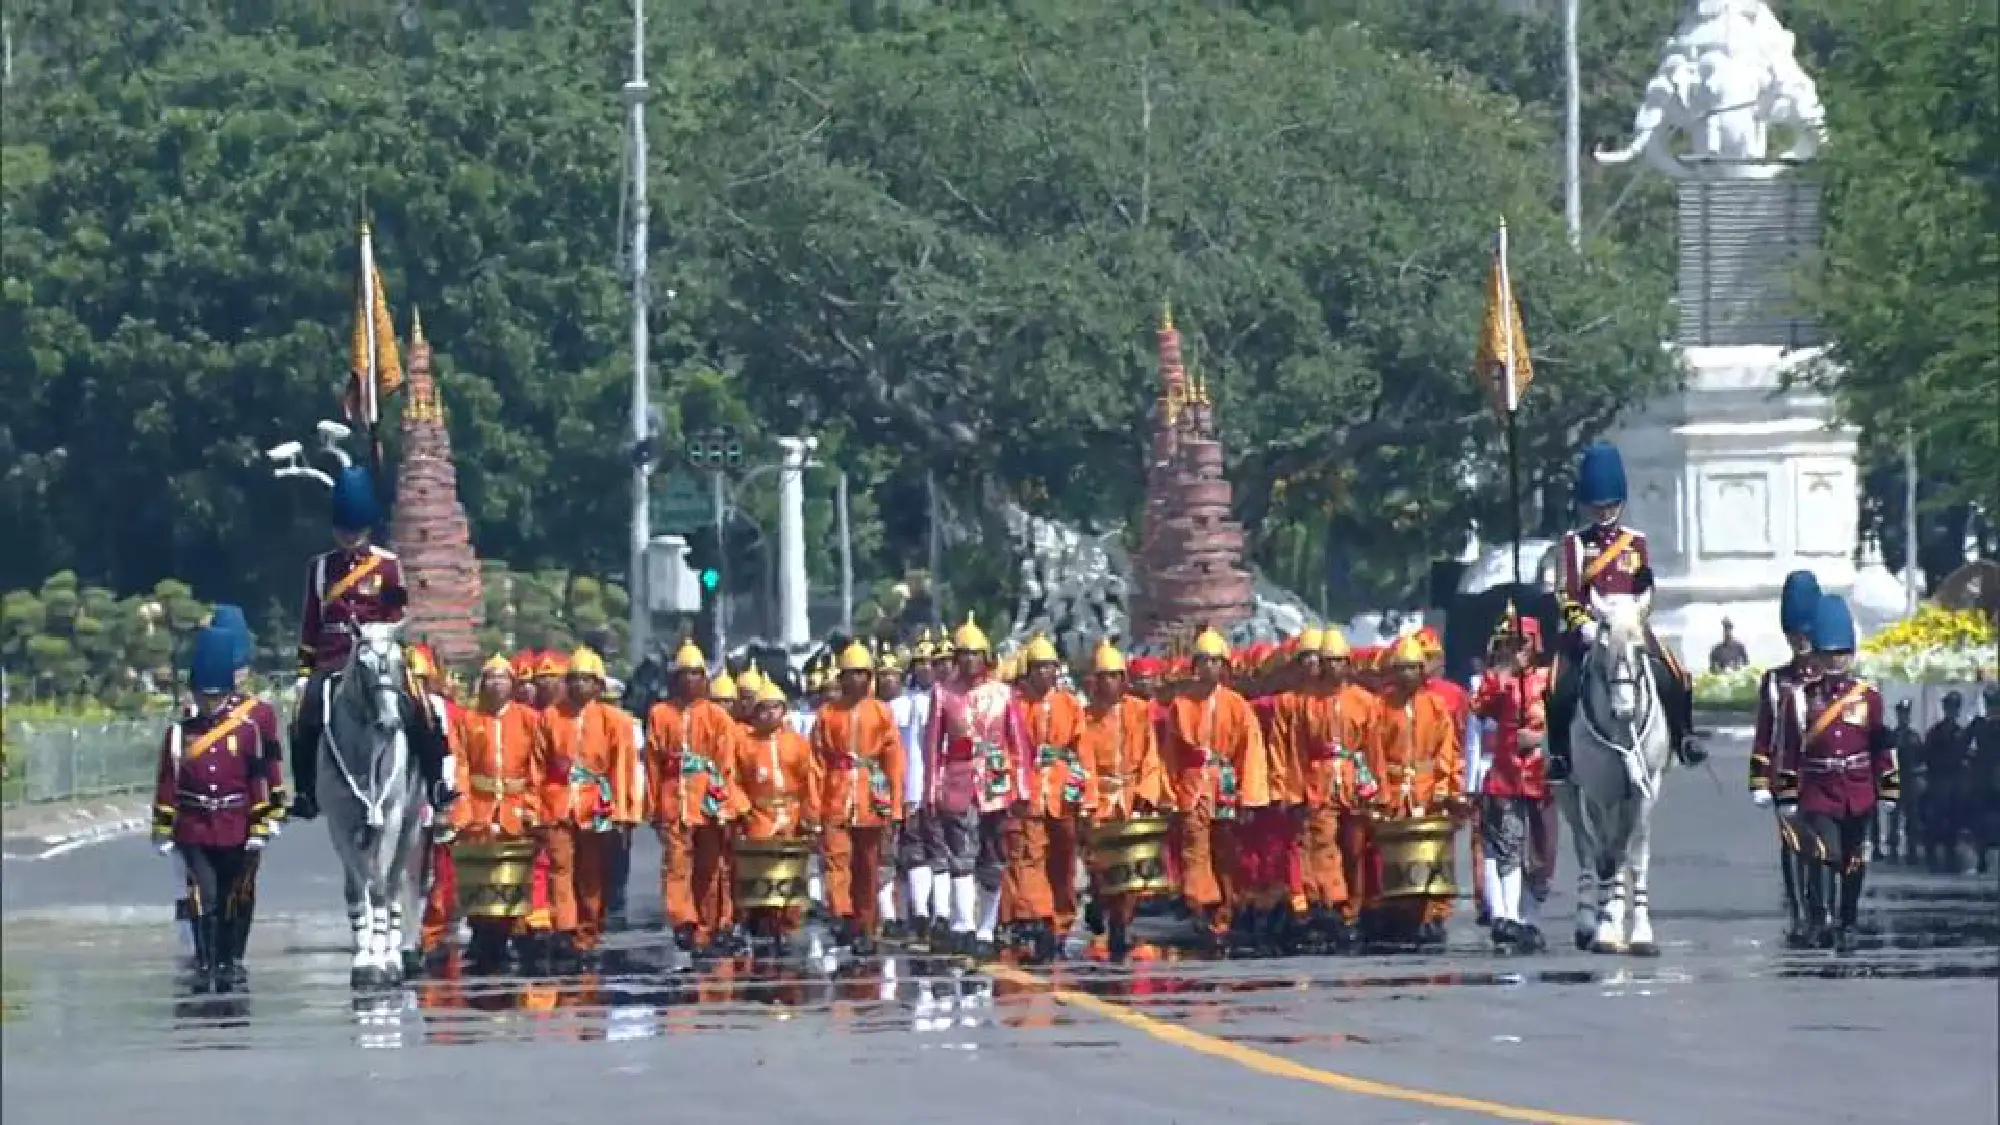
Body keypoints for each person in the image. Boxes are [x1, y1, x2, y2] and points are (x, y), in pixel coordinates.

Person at [288, 465, 453, 820]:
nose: (349, 537)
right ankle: (304, 791)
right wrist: (305, 670)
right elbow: (311, 622)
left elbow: (399, 615)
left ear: (368, 528)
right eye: (344, 530)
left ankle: (436, 781)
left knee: (425, 709)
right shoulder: (320, 568)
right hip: (333, 657)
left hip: (380, 651)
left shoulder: (388, 566)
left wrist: (391, 646)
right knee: (302, 717)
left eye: (356, 529)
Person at [1545, 442, 1704, 782]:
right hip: (1590, 628)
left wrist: (1640, 612)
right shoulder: (1573, 544)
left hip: (1630, 624)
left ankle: (1683, 737)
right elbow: (1565, 592)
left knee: (1677, 674)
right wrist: (1583, 624)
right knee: (1556, 685)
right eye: (1598, 506)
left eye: (1611, 505)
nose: (1604, 512)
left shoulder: (1636, 541)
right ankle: (1559, 754)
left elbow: (1646, 586)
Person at [153, 627, 284, 993]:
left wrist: (263, 822)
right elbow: (168, 781)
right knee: (204, 896)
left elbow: (259, 778)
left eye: (217, 695)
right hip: (194, 827)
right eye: (204, 695)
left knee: (233, 896)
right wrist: (163, 827)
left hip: (236, 823)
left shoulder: (247, 730)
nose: (210, 702)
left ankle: (230, 958)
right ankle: (207, 960)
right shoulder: (179, 735)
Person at [1771, 597, 1898, 953]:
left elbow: (1880, 745)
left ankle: (1847, 917)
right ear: (1819, 656)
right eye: (1829, 653)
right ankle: (1821, 917)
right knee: (1824, 853)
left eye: (1842, 653)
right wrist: (1788, 792)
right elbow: (1789, 748)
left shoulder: (1868, 697)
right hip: (1818, 788)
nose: (1836, 660)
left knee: (1854, 859)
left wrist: (1887, 788)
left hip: (1858, 789)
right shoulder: (1799, 698)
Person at [1159, 627, 1271, 952]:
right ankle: (1199, 904)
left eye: (1215, 661)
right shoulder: (1180, 706)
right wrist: (1168, 793)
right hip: (1193, 786)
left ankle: (1225, 909)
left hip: (1225, 786)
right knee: (1195, 847)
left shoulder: (1237, 706)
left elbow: (1249, 753)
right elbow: (1170, 754)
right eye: (1204, 661)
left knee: (1225, 849)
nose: (1209, 667)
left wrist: (1248, 796)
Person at [1275, 628, 1380, 953]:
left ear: (1347, 664)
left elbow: (1373, 748)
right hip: (1320, 780)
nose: (1333, 668)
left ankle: (1354, 908)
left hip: (1354, 780)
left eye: (1338, 662)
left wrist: (1378, 787)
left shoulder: (1364, 701)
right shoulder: (1308, 704)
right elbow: (1296, 751)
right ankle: (1334, 904)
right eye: (1327, 662)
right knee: (1323, 842)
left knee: (1356, 848)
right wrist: (1295, 790)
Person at [541, 647, 643, 969]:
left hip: (597, 804)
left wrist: (624, 814)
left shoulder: (615, 721)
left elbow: (623, 770)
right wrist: (533, 807)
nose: (580, 686)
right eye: (574, 679)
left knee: (591, 874)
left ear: (599, 686)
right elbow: (536, 767)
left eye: (587, 680)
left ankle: (587, 931)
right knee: (560, 867)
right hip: (556, 802)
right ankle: (564, 928)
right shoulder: (549, 716)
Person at [451, 655, 551, 973]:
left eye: (502, 677)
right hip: (479, 807)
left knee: (523, 875)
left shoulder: (529, 719)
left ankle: (522, 934)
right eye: (490, 677)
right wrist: (463, 809)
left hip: (516, 805)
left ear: (513, 684)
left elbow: (538, 768)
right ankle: (484, 935)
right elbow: (460, 767)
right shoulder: (467, 720)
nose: (495, 683)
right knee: (480, 877)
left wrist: (531, 806)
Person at [926, 614, 1018, 956]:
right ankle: (963, 923)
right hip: (958, 777)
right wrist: (930, 789)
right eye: (962, 653)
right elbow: (933, 747)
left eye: (974, 653)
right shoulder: (943, 694)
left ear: (986, 655)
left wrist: (1020, 787)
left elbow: (1017, 744)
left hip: (995, 781)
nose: (969, 660)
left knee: (993, 856)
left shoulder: (1003, 694)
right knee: (960, 856)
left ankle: (986, 928)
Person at [644, 641, 742, 955]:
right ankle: (682, 921)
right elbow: (653, 763)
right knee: (676, 863)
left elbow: (726, 764)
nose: (689, 680)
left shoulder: (717, 717)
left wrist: (723, 802)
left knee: (709, 866)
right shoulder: (660, 714)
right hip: (673, 798)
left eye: (695, 674)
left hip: (708, 801)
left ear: (704, 679)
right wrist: (652, 804)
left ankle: (707, 926)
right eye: (683, 674)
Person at [1368, 635, 1465, 948]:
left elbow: (1447, 750)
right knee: (1394, 854)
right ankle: (1399, 914)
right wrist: (1380, 791)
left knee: (1433, 852)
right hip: (1396, 790)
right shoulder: (1381, 707)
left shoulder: (1436, 706)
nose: (1408, 675)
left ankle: (1434, 915)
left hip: (1427, 789)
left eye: (1414, 668)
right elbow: (1374, 753)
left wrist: (1443, 786)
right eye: (1403, 668)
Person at [1077, 640, 1169, 962]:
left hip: (1130, 797)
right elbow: (1083, 762)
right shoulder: (1084, 717)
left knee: (1131, 869)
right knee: (1100, 869)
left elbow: (1150, 756)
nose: (1109, 684)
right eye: (1104, 677)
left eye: (1115, 677)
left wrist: (1147, 793)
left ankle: (1121, 925)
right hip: (1100, 799)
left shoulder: (1139, 711)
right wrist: (1089, 800)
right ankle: (1100, 909)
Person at [811, 640, 904, 956]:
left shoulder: (881, 712)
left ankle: (865, 924)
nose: (855, 680)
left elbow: (893, 761)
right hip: (836, 793)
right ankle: (842, 913)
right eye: (849, 674)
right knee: (837, 859)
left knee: (867, 864)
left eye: (861, 674)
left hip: (871, 793)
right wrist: (814, 806)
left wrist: (895, 804)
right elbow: (816, 764)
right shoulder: (827, 714)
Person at [1471, 608, 1552, 953]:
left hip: (1542, 777)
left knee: (1541, 852)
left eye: (1525, 643)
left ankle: (1529, 917)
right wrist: (1507, 673)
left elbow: (1568, 717)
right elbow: (1479, 706)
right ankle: (1505, 916)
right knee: (1505, 847)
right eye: (1515, 644)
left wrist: (1540, 738)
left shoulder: (1549, 679)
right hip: (1504, 776)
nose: (1521, 649)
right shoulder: (1498, 679)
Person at [1001, 635, 1087, 962]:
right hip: (1030, 790)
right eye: (1038, 668)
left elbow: (1083, 752)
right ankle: (1041, 918)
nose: (1045, 674)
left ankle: (1062, 921)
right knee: (1030, 855)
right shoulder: (1016, 706)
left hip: (1063, 791)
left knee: (1064, 860)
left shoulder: (1069, 705)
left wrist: (1084, 792)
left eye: (1050, 667)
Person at [1749, 570, 1820, 944]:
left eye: (1805, 633)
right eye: (1794, 634)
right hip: (1789, 777)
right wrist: (1759, 780)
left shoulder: (1833, 682)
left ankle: (1821, 908)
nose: (1800, 640)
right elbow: (1765, 733)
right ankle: (1797, 911)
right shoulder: (1776, 680)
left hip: (1826, 778)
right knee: (1792, 845)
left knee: (1824, 848)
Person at [728, 679, 822, 946]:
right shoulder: (744, 744)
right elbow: (733, 779)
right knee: (759, 870)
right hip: (759, 814)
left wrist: (811, 814)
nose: (769, 714)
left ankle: (787, 925)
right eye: (763, 709)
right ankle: (758, 919)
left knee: (791, 870)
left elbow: (810, 781)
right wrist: (743, 808)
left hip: (791, 814)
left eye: (775, 708)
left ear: (784, 710)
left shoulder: (798, 743)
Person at [886, 637, 943, 946]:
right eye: (919, 663)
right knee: (913, 852)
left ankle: (944, 915)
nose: (926, 669)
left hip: (952, 788)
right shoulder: (902, 706)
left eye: (930, 663)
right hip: (915, 788)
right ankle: (919, 912)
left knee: (949, 855)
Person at [1922, 690, 1975, 873]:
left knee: (1954, 821)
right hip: (1938, 780)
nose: (1952, 710)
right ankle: (1932, 859)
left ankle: (1951, 858)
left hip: (1955, 782)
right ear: (1945, 708)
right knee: (1934, 820)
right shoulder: (1935, 732)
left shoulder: (1962, 734)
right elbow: (1927, 756)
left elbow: (1966, 756)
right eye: (1949, 706)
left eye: (1955, 707)